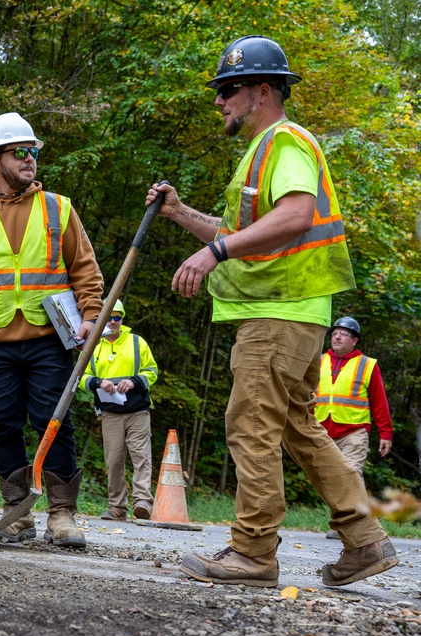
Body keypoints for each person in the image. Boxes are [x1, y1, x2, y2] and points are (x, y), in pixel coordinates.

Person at [146, 35, 398, 587]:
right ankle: (365, 541)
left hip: (278, 314)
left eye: (229, 90)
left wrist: (213, 253)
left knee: (250, 422)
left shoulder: (285, 142)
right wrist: (180, 212)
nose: (220, 101)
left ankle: (253, 552)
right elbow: (245, 233)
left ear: (263, 91)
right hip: (298, 312)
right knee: (298, 428)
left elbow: (295, 217)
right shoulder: (265, 151)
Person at [0, 112, 104, 549]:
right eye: (20, 152)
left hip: (50, 338)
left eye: (34, 151)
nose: (30, 159)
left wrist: (90, 315)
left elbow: (85, 268)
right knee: (3, 424)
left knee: (55, 423)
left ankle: (62, 515)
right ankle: (17, 512)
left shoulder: (58, 208)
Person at [77, 298, 158, 521]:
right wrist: (98, 382)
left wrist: (133, 381)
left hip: (137, 411)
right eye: (109, 317)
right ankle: (117, 507)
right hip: (110, 412)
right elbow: (81, 377)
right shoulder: (93, 346)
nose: (112, 321)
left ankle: (143, 501)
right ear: (102, 319)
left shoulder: (136, 342)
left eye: (117, 317)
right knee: (113, 460)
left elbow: (152, 371)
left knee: (140, 455)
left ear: (122, 319)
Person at [315, 316, 394, 538]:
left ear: (355, 340)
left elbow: (379, 401)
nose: (338, 336)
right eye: (335, 333)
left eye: (344, 333)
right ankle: (343, 524)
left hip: (354, 432)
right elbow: (307, 395)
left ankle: (360, 527)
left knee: (350, 475)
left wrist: (385, 433)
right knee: (331, 479)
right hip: (322, 431)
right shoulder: (319, 360)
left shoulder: (367, 364)